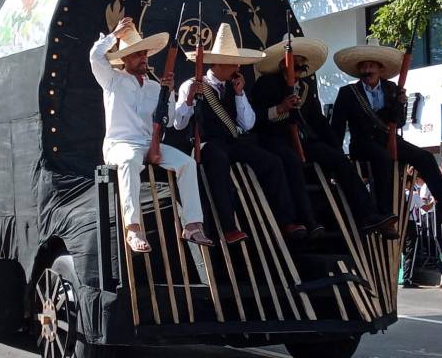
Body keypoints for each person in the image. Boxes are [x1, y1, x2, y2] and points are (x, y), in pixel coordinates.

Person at [250, 35, 398, 239]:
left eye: (302, 66)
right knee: (291, 162)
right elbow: (254, 117)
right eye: (296, 64)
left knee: (340, 161)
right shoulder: (266, 84)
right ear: (284, 64)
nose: (300, 70)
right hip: (275, 139)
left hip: (303, 141)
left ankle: (368, 215)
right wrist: (280, 108)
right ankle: (307, 221)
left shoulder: (304, 90)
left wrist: (335, 147)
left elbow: (318, 121)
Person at [175, 23, 309, 242]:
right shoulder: (192, 84)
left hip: (232, 141)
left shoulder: (233, 86)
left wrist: (239, 94)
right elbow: (178, 123)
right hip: (207, 143)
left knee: (271, 161)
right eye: (232, 62)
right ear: (217, 63)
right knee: (218, 160)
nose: (237, 66)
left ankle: (287, 222)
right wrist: (190, 98)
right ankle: (228, 227)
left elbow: (248, 124)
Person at [90, 17, 212, 253]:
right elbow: (95, 56)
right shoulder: (112, 79)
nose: (143, 58)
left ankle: (193, 225)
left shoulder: (155, 87)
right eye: (137, 54)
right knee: (128, 160)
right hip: (121, 144)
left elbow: (175, 121)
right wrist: (114, 35)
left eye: (145, 53)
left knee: (187, 163)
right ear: (124, 58)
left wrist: (172, 92)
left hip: (149, 143)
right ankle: (133, 229)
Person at [330, 40, 442, 225]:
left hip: (389, 138)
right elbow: (337, 127)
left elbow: (400, 121)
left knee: (426, 158)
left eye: (371, 65)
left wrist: (400, 104)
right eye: (363, 66)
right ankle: (385, 213)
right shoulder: (348, 92)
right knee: (383, 158)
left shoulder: (391, 89)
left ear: (380, 69)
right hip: (363, 143)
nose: (367, 70)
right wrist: (336, 158)